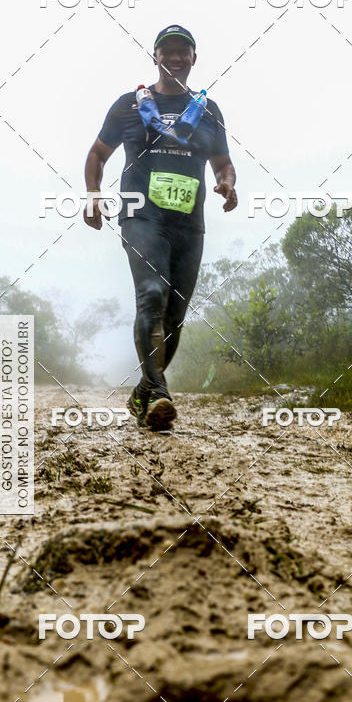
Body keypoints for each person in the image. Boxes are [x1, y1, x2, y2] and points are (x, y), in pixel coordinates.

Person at [84, 24, 237, 431]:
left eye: (182, 51)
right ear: (155, 57)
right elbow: (97, 154)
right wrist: (93, 194)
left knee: (174, 316)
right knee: (152, 293)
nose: (174, 57)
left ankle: (144, 393)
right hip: (141, 216)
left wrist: (227, 183)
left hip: (189, 224)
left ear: (193, 58)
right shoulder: (129, 106)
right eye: (167, 51)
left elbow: (223, 163)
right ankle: (159, 393)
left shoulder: (208, 110)